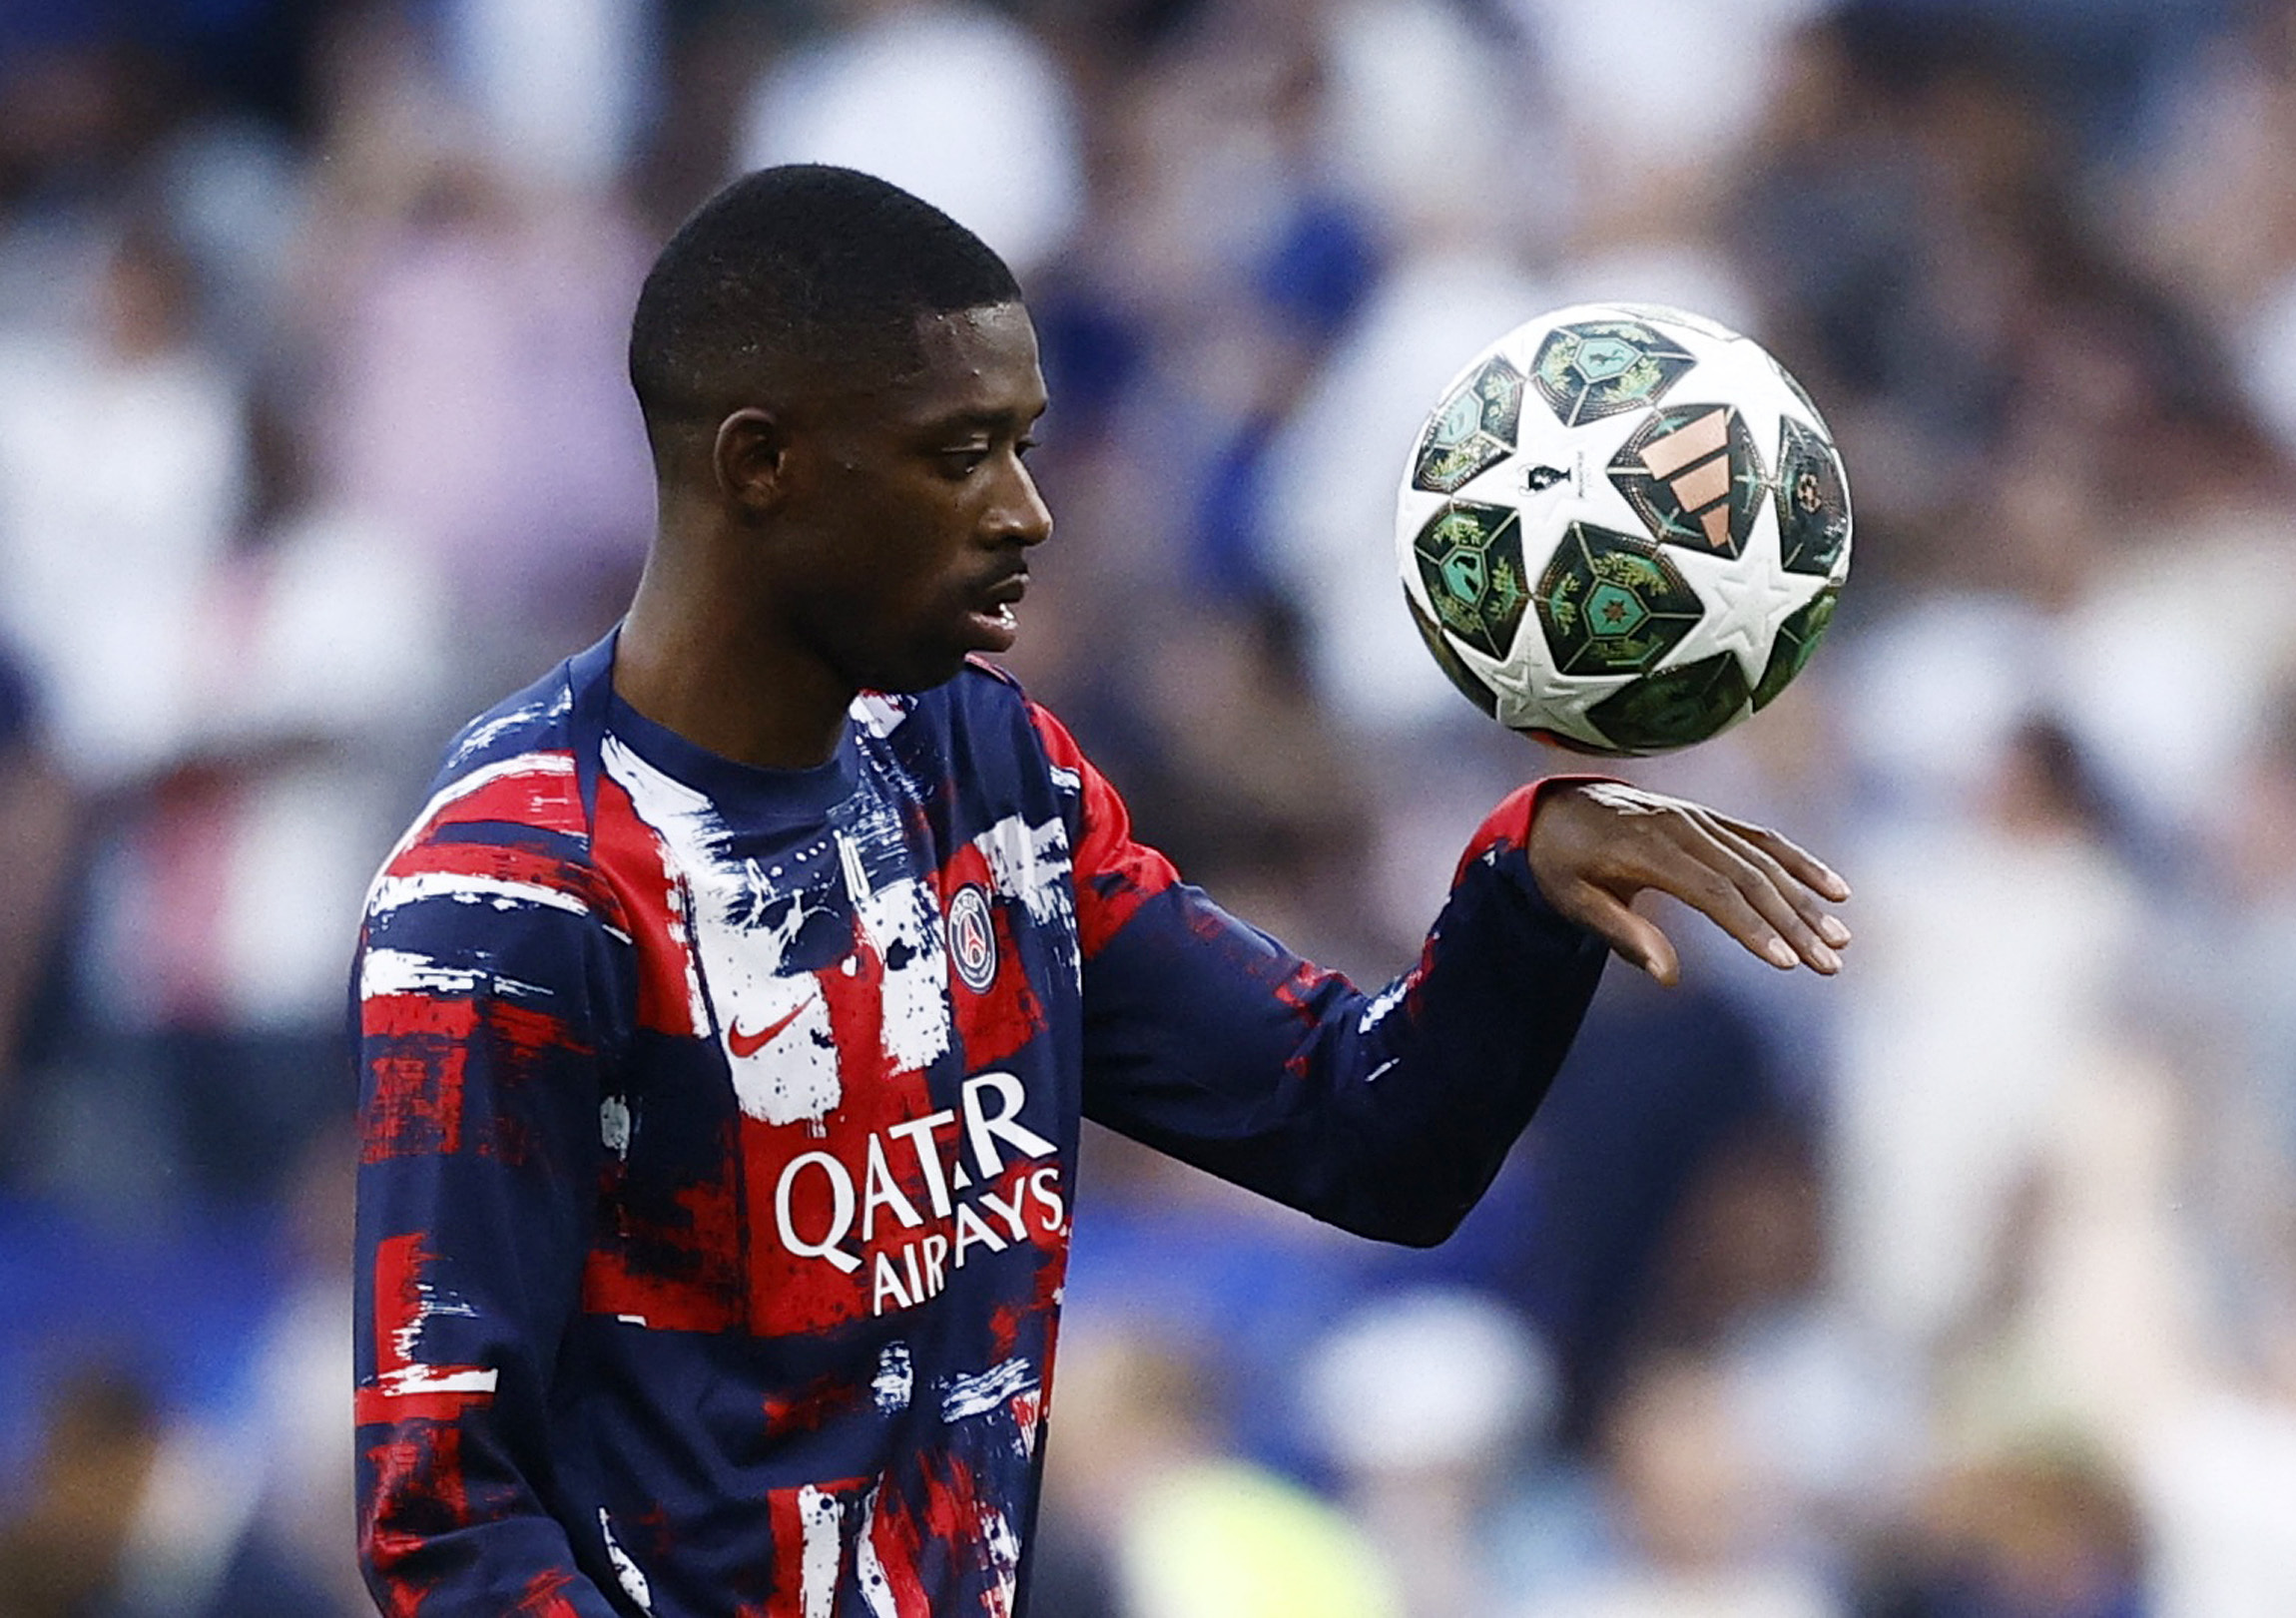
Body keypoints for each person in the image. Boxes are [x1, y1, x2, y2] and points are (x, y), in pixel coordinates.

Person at [350, 164, 1852, 1617]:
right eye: (961, 454)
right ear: (761, 465)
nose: (1027, 511)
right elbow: (451, 1523)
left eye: (1027, 445)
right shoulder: (514, 885)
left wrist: (1525, 891)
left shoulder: (977, 770)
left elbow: (1363, 1129)